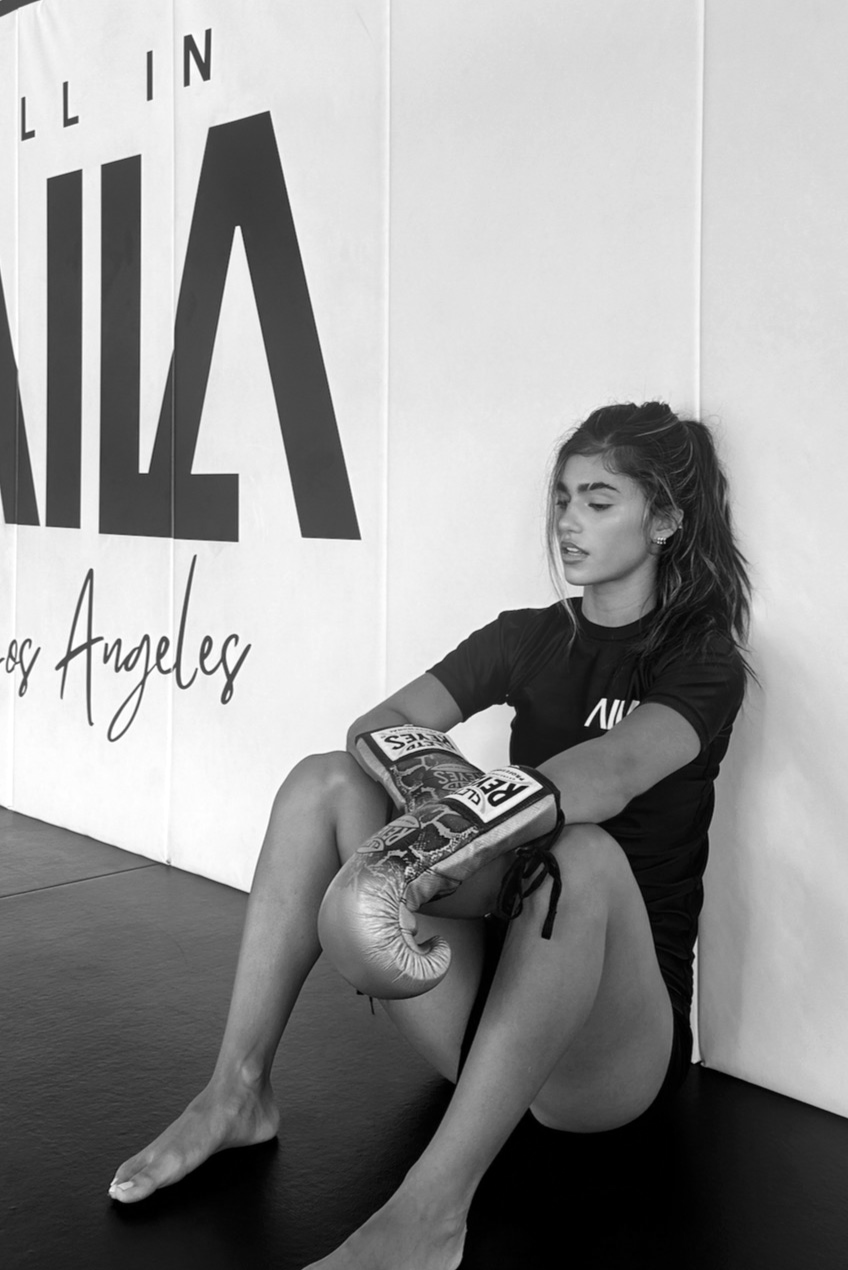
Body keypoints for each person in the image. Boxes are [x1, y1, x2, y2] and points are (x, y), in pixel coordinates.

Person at [108, 401, 753, 1270]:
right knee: (321, 782)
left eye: (599, 501)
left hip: (608, 1056)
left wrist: (437, 846)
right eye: (562, 498)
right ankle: (237, 1092)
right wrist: (435, 816)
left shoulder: (702, 658)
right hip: (489, 1011)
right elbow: (382, 725)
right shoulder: (528, 637)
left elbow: (611, 774)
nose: (568, 521)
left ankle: (432, 1213)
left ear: (665, 520)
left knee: (582, 853)